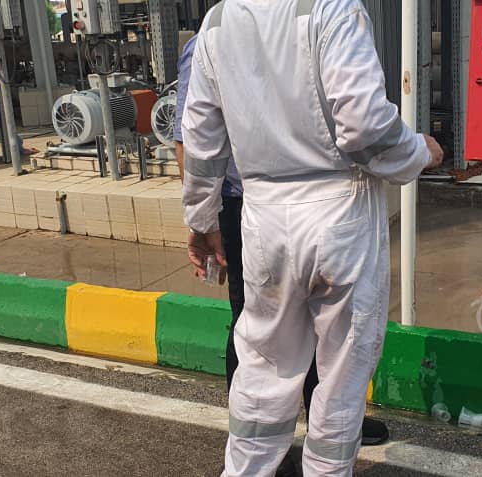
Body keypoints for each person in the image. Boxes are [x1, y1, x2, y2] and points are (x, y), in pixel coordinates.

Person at [180, 1, 444, 475]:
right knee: (341, 374)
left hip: (262, 215)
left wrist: (202, 220)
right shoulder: (333, 8)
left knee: (263, 368)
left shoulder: (218, 21)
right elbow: (365, 128)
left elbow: (200, 140)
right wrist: (419, 152)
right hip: (339, 210)